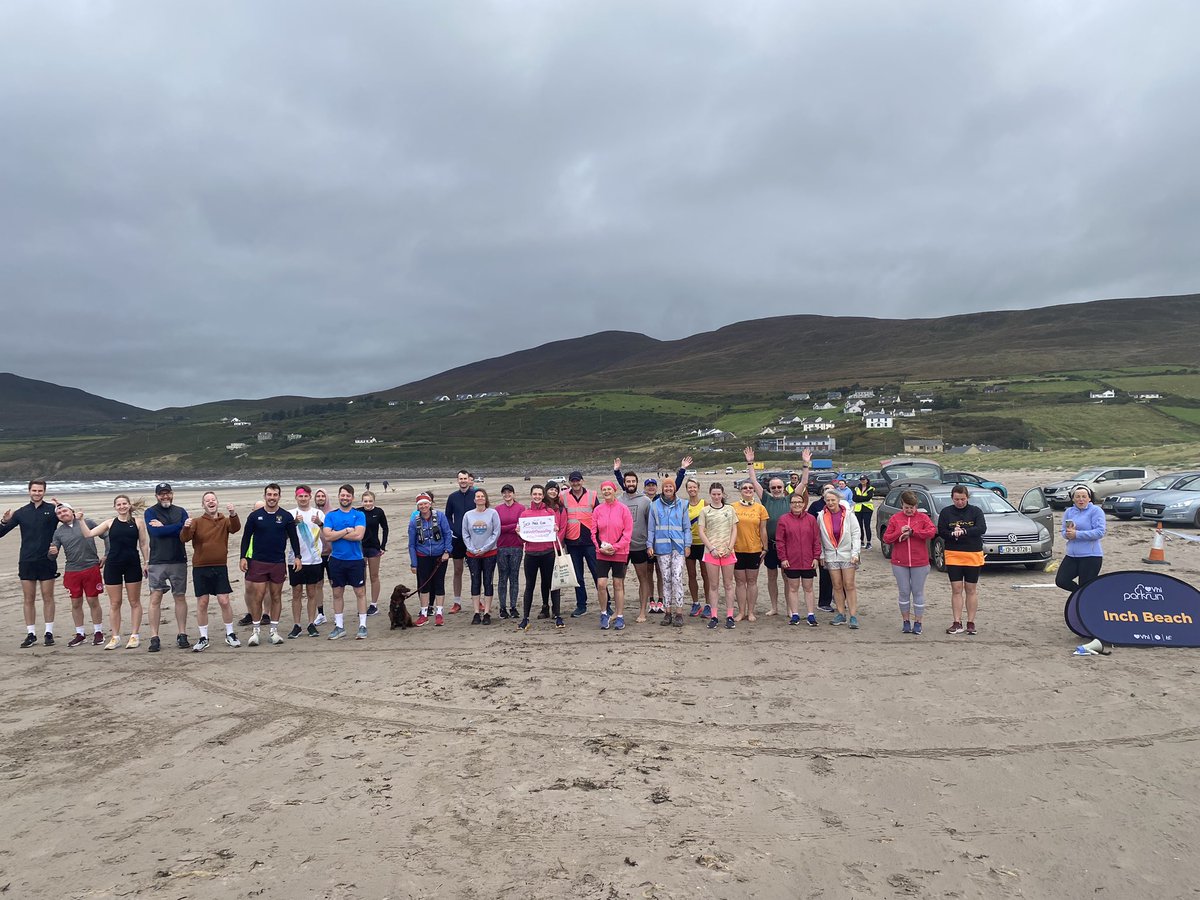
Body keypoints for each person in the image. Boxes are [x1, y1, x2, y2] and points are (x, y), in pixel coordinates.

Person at [614, 457, 691, 613]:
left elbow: (673, 487)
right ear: (644, 487)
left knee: (662, 573)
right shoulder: (644, 500)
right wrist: (617, 472)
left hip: (663, 544)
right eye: (648, 486)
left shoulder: (660, 500)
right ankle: (651, 600)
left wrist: (682, 470)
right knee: (649, 572)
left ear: (657, 488)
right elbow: (627, 486)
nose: (650, 488)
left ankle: (662, 600)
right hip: (648, 544)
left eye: (653, 486)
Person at [78, 495, 149, 649]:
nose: (122, 506)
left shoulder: (138, 522)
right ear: (115, 507)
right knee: (115, 603)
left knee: (134, 602)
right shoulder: (109, 523)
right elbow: (88, 534)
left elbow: (143, 544)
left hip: (132, 564)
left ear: (129, 505)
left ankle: (134, 636)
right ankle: (115, 637)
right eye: (119, 504)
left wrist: (146, 562)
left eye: (124, 504)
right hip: (113, 565)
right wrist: (80, 520)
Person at [239, 483, 302, 646]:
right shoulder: (255, 516)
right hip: (259, 562)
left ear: (279, 496)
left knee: (276, 596)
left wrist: (298, 556)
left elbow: (294, 538)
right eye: (269, 494)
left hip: (277, 562)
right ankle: (256, 631)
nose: (272, 497)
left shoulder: (286, 516)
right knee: (258, 596)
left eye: (275, 495)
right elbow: (246, 537)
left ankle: (274, 631)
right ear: (265, 496)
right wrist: (243, 557)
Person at [1, 479, 60, 647]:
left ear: (44, 492)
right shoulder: (21, 513)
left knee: (48, 597)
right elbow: (1, 533)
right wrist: (4, 521)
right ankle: (31, 634)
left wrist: (61, 506)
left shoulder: (52, 510)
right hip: (26, 560)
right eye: (34, 490)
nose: (37, 493)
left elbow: (69, 521)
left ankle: (48, 633)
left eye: (40, 491)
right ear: (29, 491)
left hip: (47, 560)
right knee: (29, 598)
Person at [180, 492, 242, 650]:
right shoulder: (196, 521)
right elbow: (184, 538)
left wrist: (233, 513)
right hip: (200, 567)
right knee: (202, 602)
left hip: (220, 566)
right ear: (203, 505)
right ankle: (203, 637)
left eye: (213, 500)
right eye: (207, 501)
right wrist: (186, 526)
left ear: (217, 502)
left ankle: (230, 634)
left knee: (224, 600)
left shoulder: (225, 521)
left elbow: (235, 528)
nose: (210, 502)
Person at [49, 503, 106, 646]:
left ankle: (98, 632)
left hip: (91, 567)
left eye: (65, 510)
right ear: (58, 517)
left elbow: (106, 536)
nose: (63, 513)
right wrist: (52, 553)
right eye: (59, 513)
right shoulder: (59, 532)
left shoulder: (87, 522)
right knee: (75, 603)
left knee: (93, 600)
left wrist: (107, 555)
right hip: (72, 570)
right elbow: (52, 554)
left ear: (72, 511)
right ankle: (80, 634)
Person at [881, 490, 937, 635]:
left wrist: (913, 532)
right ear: (902, 505)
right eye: (906, 507)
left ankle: (918, 622)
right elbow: (887, 538)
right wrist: (900, 532)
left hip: (920, 561)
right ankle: (906, 621)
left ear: (916, 505)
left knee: (918, 592)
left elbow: (931, 532)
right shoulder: (895, 518)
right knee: (904, 592)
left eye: (912, 507)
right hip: (900, 562)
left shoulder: (923, 517)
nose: (909, 510)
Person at [144, 482, 190, 652]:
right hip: (157, 561)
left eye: (167, 493)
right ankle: (154, 637)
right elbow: (156, 533)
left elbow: (187, 530)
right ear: (156, 496)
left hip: (178, 560)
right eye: (161, 494)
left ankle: (182, 634)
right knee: (155, 598)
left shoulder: (181, 511)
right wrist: (176, 527)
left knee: (179, 597)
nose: (165, 496)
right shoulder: (150, 512)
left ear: (172, 494)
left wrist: (167, 528)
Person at [517, 484, 567, 631]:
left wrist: (555, 530)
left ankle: (557, 615)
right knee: (529, 586)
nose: (537, 496)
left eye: (540, 494)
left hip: (548, 553)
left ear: (543, 495)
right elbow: (522, 541)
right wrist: (519, 533)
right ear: (531, 495)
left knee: (553, 585)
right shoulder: (525, 514)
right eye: (535, 494)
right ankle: (525, 618)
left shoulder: (550, 512)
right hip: (531, 554)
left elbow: (554, 534)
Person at [938, 485, 986, 636]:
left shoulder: (975, 511)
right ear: (952, 498)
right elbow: (942, 531)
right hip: (953, 554)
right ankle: (956, 622)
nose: (960, 502)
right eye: (957, 499)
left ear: (967, 498)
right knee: (956, 589)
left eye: (963, 499)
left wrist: (965, 531)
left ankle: (970, 623)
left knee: (971, 589)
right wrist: (953, 533)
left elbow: (981, 528)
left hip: (972, 553)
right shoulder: (946, 512)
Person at [322, 484, 368, 639]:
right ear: (339, 496)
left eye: (348, 495)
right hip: (337, 560)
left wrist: (337, 533)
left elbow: (358, 536)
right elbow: (327, 536)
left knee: (360, 592)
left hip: (355, 559)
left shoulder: (359, 515)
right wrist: (346, 531)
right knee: (337, 593)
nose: (345, 498)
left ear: (352, 498)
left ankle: (362, 626)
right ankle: (339, 626)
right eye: (342, 495)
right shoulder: (331, 515)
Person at [612, 459, 655, 622]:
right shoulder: (618, 500)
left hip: (639, 546)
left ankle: (643, 611)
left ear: (637, 483)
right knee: (618, 580)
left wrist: (650, 544)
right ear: (624, 483)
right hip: (621, 547)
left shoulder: (645, 501)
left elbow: (650, 525)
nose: (630, 483)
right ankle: (618, 611)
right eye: (628, 481)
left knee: (643, 578)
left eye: (633, 481)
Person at [732, 447, 770, 622]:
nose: (748, 490)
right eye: (745, 488)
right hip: (737, 549)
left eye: (750, 488)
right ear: (740, 490)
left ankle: (752, 612)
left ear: (754, 491)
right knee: (740, 582)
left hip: (754, 549)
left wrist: (765, 548)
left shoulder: (760, 508)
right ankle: (741, 611)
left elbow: (763, 529)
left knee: (752, 581)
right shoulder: (733, 507)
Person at [774, 490, 822, 626]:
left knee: (808, 588)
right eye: (794, 502)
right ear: (790, 504)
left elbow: (816, 540)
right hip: (791, 561)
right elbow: (780, 541)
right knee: (793, 588)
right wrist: (783, 558)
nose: (797, 505)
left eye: (799, 502)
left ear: (804, 504)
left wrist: (816, 557)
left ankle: (811, 615)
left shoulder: (811, 519)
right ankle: (794, 614)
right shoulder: (784, 519)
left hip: (808, 560)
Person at [647, 476, 690, 627]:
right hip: (662, 548)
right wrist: (649, 545)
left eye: (671, 487)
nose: (668, 489)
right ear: (662, 489)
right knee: (666, 579)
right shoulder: (654, 506)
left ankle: (679, 613)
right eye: (666, 487)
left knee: (677, 578)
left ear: (675, 488)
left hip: (678, 547)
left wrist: (687, 545)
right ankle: (667, 612)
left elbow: (686, 528)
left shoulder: (683, 505)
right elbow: (651, 528)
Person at [817, 487, 862, 629]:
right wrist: (822, 554)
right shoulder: (821, 516)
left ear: (838, 500)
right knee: (836, 585)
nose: (830, 502)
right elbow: (820, 537)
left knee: (849, 584)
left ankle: (853, 616)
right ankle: (841, 613)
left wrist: (855, 553)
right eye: (828, 500)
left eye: (833, 500)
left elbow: (856, 533)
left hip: (847, 554)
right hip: (831, 555)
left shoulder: (848, 514)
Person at [591, 481, 632, 631]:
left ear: (614, 491)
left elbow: (627, 533)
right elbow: (593, 531)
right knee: (601, 584)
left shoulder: (623, 509)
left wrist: (615, 548)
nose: (607, 492)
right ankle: (603, 614)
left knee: (618, 584)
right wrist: (600, 548)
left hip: (619, 552)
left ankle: (619, 616)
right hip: (602, 553)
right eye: (604, 490)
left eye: (609, 489)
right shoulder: (598, 510)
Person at [698, 483, 739, 630]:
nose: (716, 497)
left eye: (719, 494)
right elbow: (701, 532)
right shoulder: (705, 511)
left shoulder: (730, 509)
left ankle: (729, 616)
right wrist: (712, 548)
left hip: (728, 552)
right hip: (711, 553)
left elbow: (734, 529)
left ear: (722, 494)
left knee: (728, 585)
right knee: (713, 585)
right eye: (714, 494)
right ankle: (714, 616)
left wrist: (729, 547)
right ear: (710, 494)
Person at [409, 492, 453, 626]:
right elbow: (411, 544)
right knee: (424, 585)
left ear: (430, 504)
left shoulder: (440, 516)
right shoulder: (414, 522)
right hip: (422, 556)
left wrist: (447, 551)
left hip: (440, 556)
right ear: (418, 506)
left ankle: (439, 613)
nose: (423, 506)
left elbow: (447, 533)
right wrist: (414, 563)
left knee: (439, 584)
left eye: (425, 503)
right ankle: (424, 613)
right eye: (420, 504)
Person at [287, 485, 325, 638]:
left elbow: (328, 534)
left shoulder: (318, 513)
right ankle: (297, 625)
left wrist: (320, 523)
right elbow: (284, 536)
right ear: (296, 497)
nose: (303, 499)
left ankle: (311, 623)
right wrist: (294, 523)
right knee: (296, 592)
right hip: (295, 560)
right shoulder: (290, 514)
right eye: (300, 496)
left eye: (305, 496)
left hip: (314, 559)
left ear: (310, 497)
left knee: (312, 592)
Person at [562, 471, 598, 618]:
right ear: (570, 482)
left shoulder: (592, 495)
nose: (575, 483)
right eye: (573, 481)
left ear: (582, 481)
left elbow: (599, 514)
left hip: (590, 541)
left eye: (578, 481)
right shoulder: (563, 496)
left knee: (598, 574)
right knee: (578, 576)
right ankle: (581, 605)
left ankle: (606, 604)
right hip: (572, 542)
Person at [1057, 485, 1106, 593]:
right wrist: (1068, 534)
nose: (1081, 499)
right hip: (1072, 555)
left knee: (1086, 585)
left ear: (1089, 498)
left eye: (1084, 496)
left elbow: (1100, 532)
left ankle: (1084, 600)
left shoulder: (1096, 511)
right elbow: (1064, 531)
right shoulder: (1069, 512)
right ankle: (1080, 595)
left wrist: (1077, 534)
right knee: (1061, 581)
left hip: (1091, 556)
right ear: (1073, 498)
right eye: (1077, 496)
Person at [462, 488, 501, 624]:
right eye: (477, 496)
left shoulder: (493, 513)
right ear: (474, 499)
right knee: (475, 582)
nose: (479, 498)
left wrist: (484, 549)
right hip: (472, 554)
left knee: (488, 581)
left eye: (482, 496)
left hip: (490, 553)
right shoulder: (468, 515)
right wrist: (472, 549)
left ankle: (487, 613)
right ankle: (476, 612)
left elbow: (496, 533)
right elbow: (465, 534)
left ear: (485, 499)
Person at [444, 470, 479, 615]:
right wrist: (454, 530)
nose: (463, 481)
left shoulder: (476, 496)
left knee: (475, 571)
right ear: (457, 480)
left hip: (474, 538)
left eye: (465, 478)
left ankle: (478, 600)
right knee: (458, 570)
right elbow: (447, 516)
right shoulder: (452, 497)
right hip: (458, 539)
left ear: (469, 480)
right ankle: (457, 602)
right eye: (461, 479)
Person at [495, 484, 525, 620]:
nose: (507, 495)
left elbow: (521, 525)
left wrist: (506, 527)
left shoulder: (521, 508)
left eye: (509, 492)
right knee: (502, 578)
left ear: (513, 493)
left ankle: (513, 606)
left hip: (517, 546)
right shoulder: (497, 510)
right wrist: (511, 527)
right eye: (504, 492)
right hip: (501, 547)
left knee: (514, 577)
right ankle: (502, 607)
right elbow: (497, 528)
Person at [357, 490, 389, 616]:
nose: (368, 503)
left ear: (374, 501)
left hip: (374, 547)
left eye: (370, 501)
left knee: (374, 576)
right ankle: (362, 604)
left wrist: (383, 546)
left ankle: (374, 605)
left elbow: (385, 528)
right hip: (360, 547)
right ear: (362, 502)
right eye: (365, 501)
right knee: (361, 577)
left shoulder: (379, 512)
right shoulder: (358, 512)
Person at [682, 477, 709, 617]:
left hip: (704, 544)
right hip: (689, 545)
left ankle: (709, 604)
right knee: (692, 575)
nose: (692, 489)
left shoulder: (705, 504)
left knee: (706, 575)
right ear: (687, 489)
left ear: (698, 488)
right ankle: (695, 603)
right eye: (689, 487)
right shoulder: (684, 505)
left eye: (694, 487)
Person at [540, 481, 567, 620]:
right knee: (544, 580)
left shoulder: (561, 509)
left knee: (555, 580)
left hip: (555, 548)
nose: (553, 492)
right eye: (550, 489)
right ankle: (545, 606)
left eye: (555, 490)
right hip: (542, 548)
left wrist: (555, 543)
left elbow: (563, 528)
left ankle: (557, 609)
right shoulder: (541, 507)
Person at [852, 475, 877, 550]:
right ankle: (861, 541)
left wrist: (859, 498)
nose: (862, 481)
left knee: (867, 525)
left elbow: (868, 497)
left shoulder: (870, 488)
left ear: (867, 480)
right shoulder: (856, 488)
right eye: (861, 479)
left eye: (864, 479)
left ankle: (868, 542)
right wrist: (862, 498)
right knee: (859, 526)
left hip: (867, 509)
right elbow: (854, 498)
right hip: (858, 509)